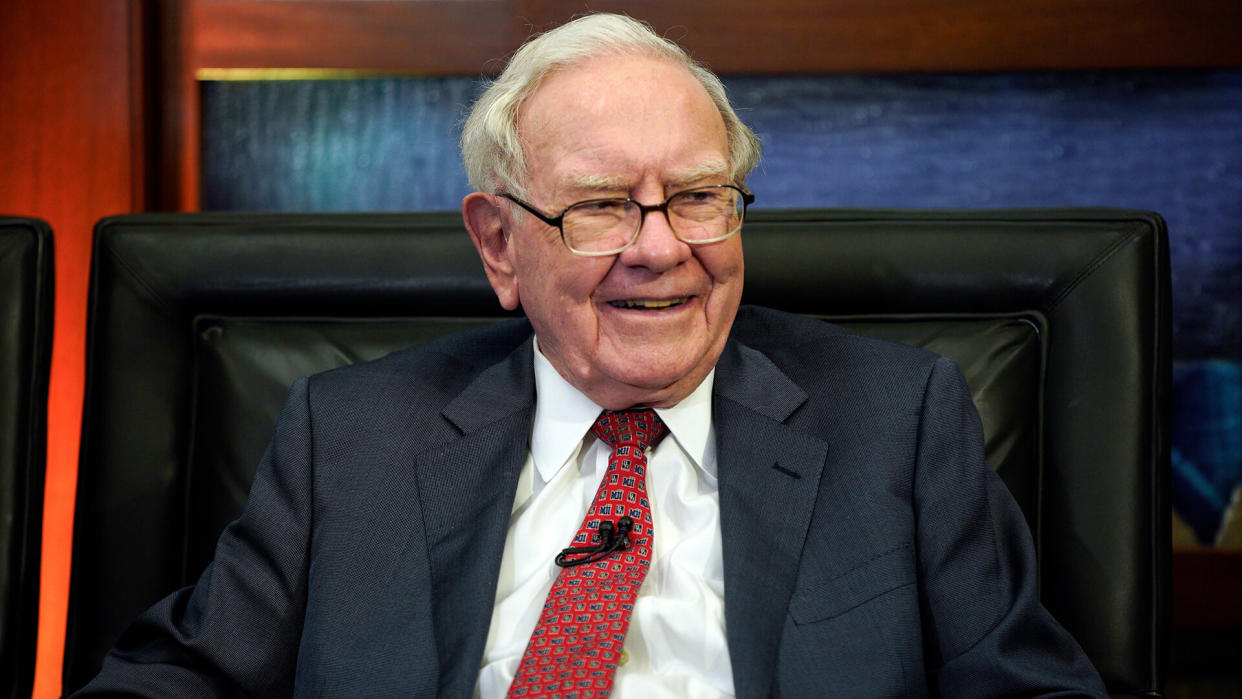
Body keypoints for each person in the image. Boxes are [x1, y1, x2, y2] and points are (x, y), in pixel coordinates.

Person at [76, 12, 1107, 698]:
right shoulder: (352, 441)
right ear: (497, 244)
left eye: (699, 196)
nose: (661, 248)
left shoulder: (897, 421)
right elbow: (179, 681)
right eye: (605, 207)